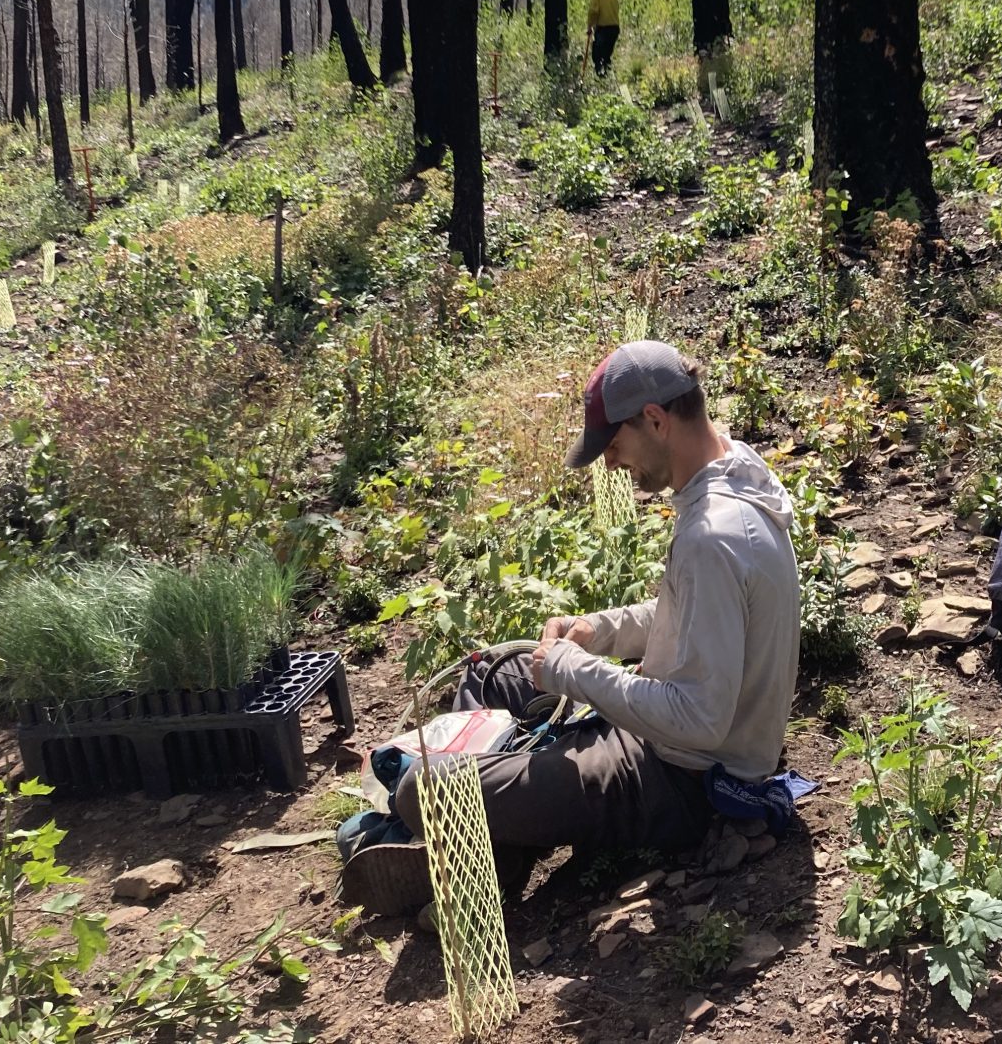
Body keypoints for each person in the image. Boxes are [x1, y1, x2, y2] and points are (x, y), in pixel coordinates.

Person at [339, 340, 801, 917]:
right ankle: (495, 843)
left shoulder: (714, 534)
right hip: (670, 741)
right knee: (496, 674)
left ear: (654, 419)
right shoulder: (732, 472)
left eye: (614, 444)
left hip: (684, 776)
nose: (611, 462)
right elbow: (699, 617)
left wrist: (577, 673)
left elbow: (700, 719)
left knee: (423, 790)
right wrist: (600, 631)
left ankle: (475, 859)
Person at [583, 0, 622, 76]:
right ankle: (608, 77)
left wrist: (590, 27)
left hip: (603, 29)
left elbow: (593, 12)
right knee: (607, 55)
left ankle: (600, 77)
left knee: (597, 54)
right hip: (615, 29)